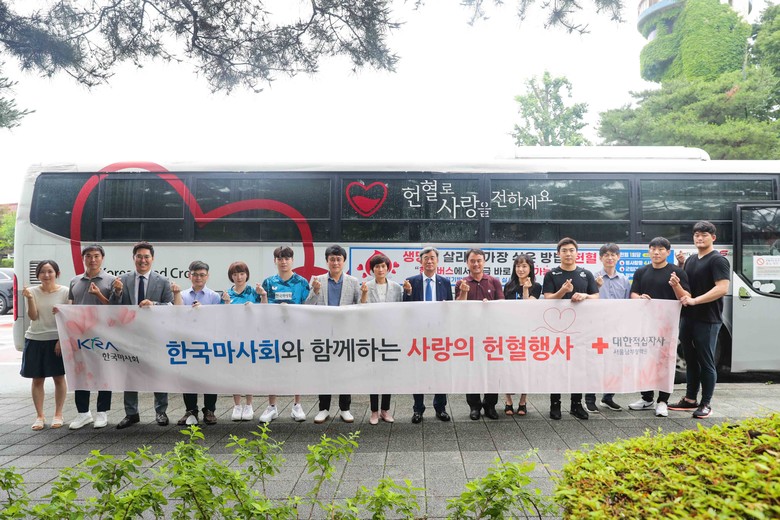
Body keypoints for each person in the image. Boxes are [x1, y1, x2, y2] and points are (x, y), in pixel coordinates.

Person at [110, 241, 176, 429]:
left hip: (154, 336)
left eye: (146, 256)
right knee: (130, 375)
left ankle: (161, 412)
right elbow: (113, 308)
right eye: (139, 256)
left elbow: (170, 307)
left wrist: (153, 305)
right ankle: (131, 413)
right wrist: (117, 291)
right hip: (129, 336)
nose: (143, 260)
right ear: (134, 258)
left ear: (152, 259)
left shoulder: (162, 281)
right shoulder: (122, 280)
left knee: (158, 373)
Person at [668, 221, 730, 419]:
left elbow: (722, 288)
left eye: (704, 235)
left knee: (706, 362)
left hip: (708, 319)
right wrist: (680, 265)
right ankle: (690, 399)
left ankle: (706, 403)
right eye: (696, 235)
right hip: (688, 317)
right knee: (691, 360)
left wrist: (696, 301)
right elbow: (687, 284)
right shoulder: (692, 259)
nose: (699, 238)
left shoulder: (718, 260)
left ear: (713, 238)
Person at [628, 237, 691, 418]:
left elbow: (686, 297)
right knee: (645, 360)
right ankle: (646, 398)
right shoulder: (641, 272)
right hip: (645, 324)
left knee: (665, 362)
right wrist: (639, 298)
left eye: (661, 249)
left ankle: (663, 400)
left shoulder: (677, 272)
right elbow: (633, 293)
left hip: (668, 326)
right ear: (649, 251)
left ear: (668, 252)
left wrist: (676, 285)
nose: (656, 252)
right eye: (653, 248)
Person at [542, 237, 599, 421]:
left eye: (571, 250)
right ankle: (555, 404)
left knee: (579, 366)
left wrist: (584, 295)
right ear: (558, 254)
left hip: (581, 329)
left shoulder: (586, 274)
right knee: (556, 367)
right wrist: (563, 292)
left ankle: (576, 404)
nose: (568, 254)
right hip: (556, 329)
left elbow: (596, 297)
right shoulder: (551, 274)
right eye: (564, 250)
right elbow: (548, 298)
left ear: (577, 253)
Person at [305, 244, 361, 424]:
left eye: (338, 259)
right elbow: (307, 306)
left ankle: (345, 408)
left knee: (345, 371)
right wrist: (315, 291)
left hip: (345, 333)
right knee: (324, 371)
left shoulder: (353, 281)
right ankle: (323, 409)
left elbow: (360, 306)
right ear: (327, 261)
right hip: (324, 333)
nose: (335, 263)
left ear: (344, 261)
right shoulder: (317, 280)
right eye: (332, 259)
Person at [258, 246, 311, 424]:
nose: (283, 262)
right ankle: (272, 406)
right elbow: (262, 308)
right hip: (273, 332)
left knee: (296, 367)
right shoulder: (268, 282)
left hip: (296, 331)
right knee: (272, 368)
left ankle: (297, 405)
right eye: (280, 258)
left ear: (292, 260)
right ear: (275, 261)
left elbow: (308, 306)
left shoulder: (302, 282)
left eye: (287, 258)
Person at [67, 245, 116, 430]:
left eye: (96, 256)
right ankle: (83, 413)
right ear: (83, 259)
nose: (92, 259)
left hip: (103, 336)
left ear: (102, 258)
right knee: (80, 372)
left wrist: (99, 294)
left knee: (103, 373)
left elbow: (116, 309)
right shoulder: (75, 281)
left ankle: (102, 412)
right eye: (88, 256)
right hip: (80, 336)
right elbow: (71, 307)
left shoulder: (111, 281)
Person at [402, 246, 452, 424]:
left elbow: (450, 308)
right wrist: (408, 293)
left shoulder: (445, 282)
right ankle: (418, 409)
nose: (429, 261)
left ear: (437, 261)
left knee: (440, 372)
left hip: (439, 334)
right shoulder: (411, 281)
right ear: (420, 261)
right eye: (426, 258)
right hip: (418, 334)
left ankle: (440, 408)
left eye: (432, 258)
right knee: (419, 372)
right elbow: (405, 308)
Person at [455, 248, 505, 420]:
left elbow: (502, 304)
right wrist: (464, 292)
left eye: (479, 261)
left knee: (492, 370)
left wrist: (490, 304)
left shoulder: (494, 281)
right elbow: (458, 307)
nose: (476, 264)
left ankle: (490, 405)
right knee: (472, 370)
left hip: (491, 333)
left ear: (484, 262)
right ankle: (474, 406)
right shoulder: (461, 282)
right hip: (470, 334)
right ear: (467, 263)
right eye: (472, 261)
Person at [21, 260, 70, 430]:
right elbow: (33, 316)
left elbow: (67, 319)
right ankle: (40, 416)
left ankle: (58, 414)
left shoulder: (65, 292)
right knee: (37, 379)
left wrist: (60, 340)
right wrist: (29, 299)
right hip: (35, 338)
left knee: (59, 378)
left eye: (50, 271)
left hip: (56, 340)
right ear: (38, 275)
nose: (46, 275)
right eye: (42, 272)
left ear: (57, 273)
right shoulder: (31, 291)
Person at [586, 243, 631, 413]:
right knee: (594, 362)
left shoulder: (624, 280)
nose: (610, 258)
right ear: (600, 258)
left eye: (613, 255)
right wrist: (596, 287)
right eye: (606, 255)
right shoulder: (593, 277)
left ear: (618, 257)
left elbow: (628, 304)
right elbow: (587, 300)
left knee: (615, 363)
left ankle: (608, 397)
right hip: (596, 326)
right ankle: (589, 399)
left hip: (616, 327)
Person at [177, 260, 221, 427]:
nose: (198, 278)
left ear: (207, 276)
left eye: (202, 275)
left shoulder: (214, 296)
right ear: (189, 276)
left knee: (210, 377)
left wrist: (205, 311)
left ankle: (209, 410)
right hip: (188, 342)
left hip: (208, 342)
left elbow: (218, 320)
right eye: (195, 274)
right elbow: (177, 316)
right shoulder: (182, 295)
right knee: (188, 377)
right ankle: (190, 410)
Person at [360, 253, 403, 425]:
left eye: (383, 266)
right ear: (372, 270)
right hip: (372, 335)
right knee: (374, 373)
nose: (380, 269)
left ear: (388, 268)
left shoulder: (396, 287)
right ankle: (374, 411)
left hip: (390, 335)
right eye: (377, 266)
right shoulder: (366, 286)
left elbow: (400, 310)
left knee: (388, 374)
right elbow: (361, 309)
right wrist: (364, 295)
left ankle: (385, 410)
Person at [222, 260, 267, 421]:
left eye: (242, 273)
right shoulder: (227, 294)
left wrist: (263, 296)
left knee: (249, 371)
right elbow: (222, 317)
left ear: (247, 275)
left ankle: (249, 404)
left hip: (251, 338)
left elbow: (265, 312)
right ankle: (237, 405)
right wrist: (227, 303)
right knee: (235, 372)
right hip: (233, 338)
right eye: (235, 274)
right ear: (231, 277)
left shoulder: (254, 292)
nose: (239, 277)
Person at [502, 253, 541, 417]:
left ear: (530, 268)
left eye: (524, 266)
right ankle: (508, 400)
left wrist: (525, 289)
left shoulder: (536, 286)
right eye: (518, 266)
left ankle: (523, 401)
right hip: (509, 330)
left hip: (527, 332)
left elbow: (528, 308)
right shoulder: (508, 285)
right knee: (507, 366)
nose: (521, 269)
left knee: (525, 366)